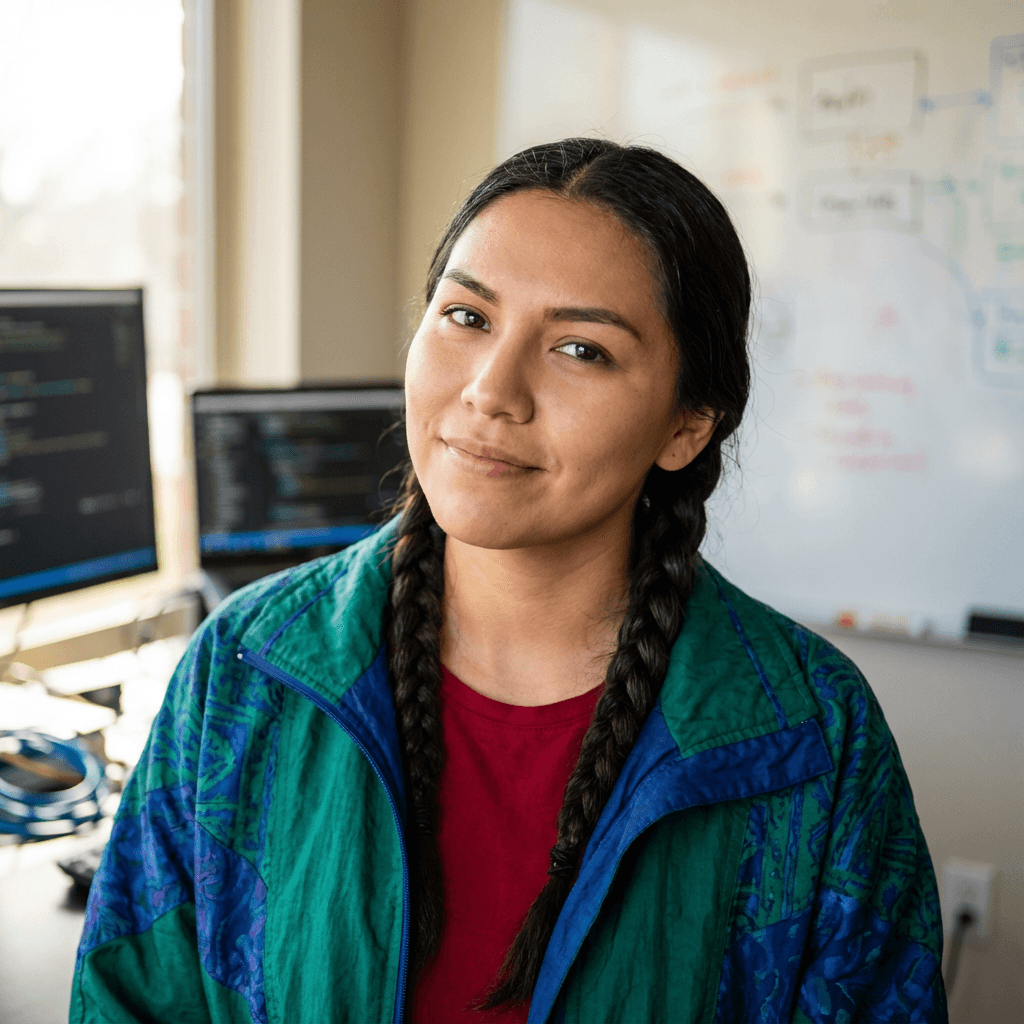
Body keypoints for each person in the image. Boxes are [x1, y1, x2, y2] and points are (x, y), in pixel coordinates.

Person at [71, 139, 946, 1024]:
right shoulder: (246, 665)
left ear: (687, 426)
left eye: (580, 349)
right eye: (467, 317)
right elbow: (127, 1000)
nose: (492, 391)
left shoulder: (814, 734)